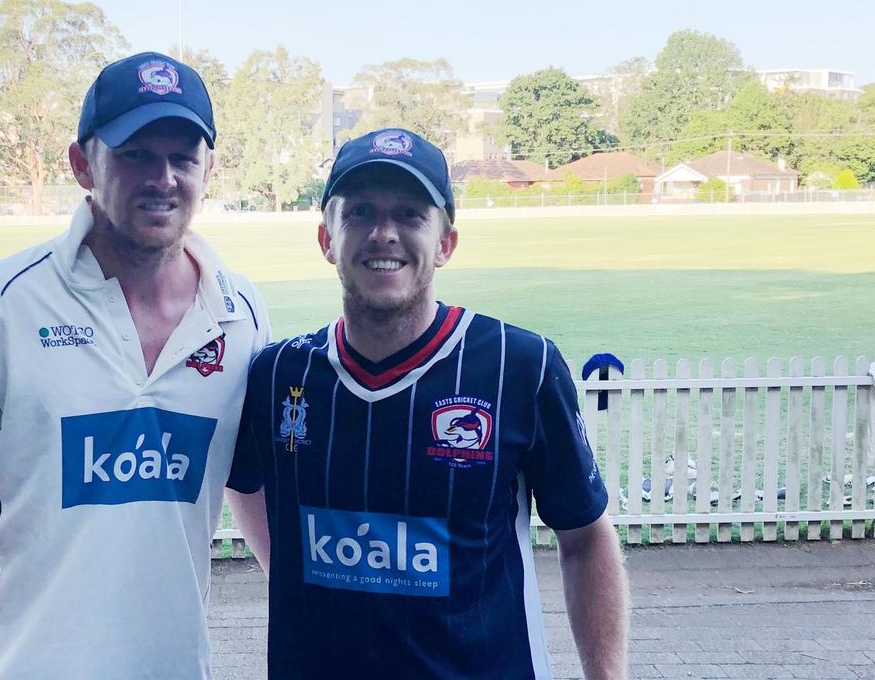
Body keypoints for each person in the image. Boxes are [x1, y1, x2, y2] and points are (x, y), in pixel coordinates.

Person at [0, 51, 271, 680]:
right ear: (83, 164)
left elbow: (251, 481)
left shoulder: (241, 313)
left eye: (183, 156)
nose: (163, 177)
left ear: (208, 167)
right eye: (134, 154)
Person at [225, 128, 628, 679]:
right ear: (326, 239)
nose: (383, 234)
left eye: (410, 214)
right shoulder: (279, 376)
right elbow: (244, 481)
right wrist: (288, 571)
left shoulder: (520, 365)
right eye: (361, 212)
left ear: (445, 243)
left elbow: (585, 539)